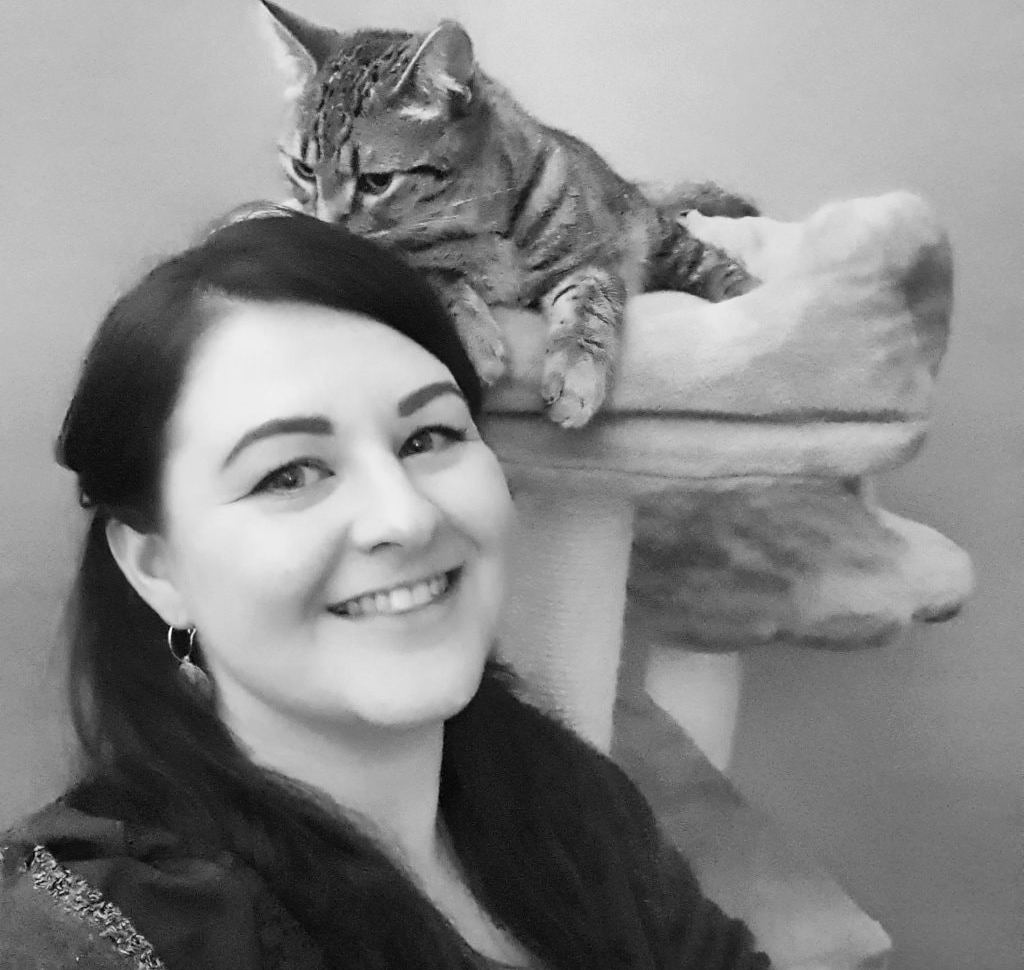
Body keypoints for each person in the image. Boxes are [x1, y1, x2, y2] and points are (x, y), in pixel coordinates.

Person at [0, 211, 771, 969]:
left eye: (429, 437)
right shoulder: (94, 930)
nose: (405, 517)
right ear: (156, 567)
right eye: (289, 474)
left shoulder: (561, 792)